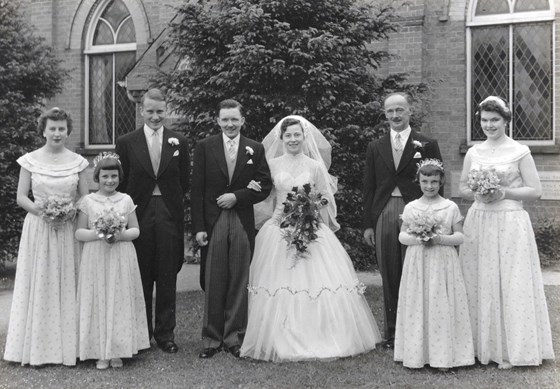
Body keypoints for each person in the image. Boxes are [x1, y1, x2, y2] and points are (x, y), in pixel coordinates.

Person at [240, 116, 381, 362]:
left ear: (304, 138)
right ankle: (280, 336)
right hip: (279, 228)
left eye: (297, 135)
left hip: (310, 227)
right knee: (278, 281)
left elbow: (326, 197)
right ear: (281, 138)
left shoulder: (314, 166)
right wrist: (253, 187)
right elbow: (264, 194)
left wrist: (312, 208)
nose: (293, 139)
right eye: (288, 135)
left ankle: (321, 334)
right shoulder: (271, 164)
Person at [458, 96, 554, 369]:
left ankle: (513, 350)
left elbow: (535, 191)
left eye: (495, 120)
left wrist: (503, 191)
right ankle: (479, 347)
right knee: (479, 278)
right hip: (479, 220)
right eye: (485, 120)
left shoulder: (519, 150)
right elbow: (463, 187)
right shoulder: (474, 152)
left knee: (511, 281)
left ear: (506, 121)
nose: (489, 125)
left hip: (510, 220)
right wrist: (478, 191)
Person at [4, 107, 89, 366]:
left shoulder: (78, 162)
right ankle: (38, 348)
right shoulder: (29, 160)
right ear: (43, 130)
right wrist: (45, 213)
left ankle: (71, 347)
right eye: (52, 128)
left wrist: (69, 212)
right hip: (40, 227)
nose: (57, 133)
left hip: (67, 228)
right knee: (40, 281)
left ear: (68, 131)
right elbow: (20, 197)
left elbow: (85, 197)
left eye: (61, 128)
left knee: (68, 280)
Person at [191, 99, 272, 359]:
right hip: (214, 220)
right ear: (217, 121)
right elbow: (197, 190)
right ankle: (211, 339)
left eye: (234, 119)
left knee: (239, 277)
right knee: (214, 278)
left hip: (240, 218)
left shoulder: (255, 148)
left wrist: (237, 197)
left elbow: (264, 184)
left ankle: (234, 337)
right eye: (225, 119)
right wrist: (199, 227)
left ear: (242, 121)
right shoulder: (205, 147)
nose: (229, 124)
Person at [363, 92, 442, 349]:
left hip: (417, 211)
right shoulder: (376, 146)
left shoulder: (426, 143)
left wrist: (434, 215)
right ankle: (393, 333)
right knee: (390, 272)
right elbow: (369, 187)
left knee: (418, 270)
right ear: (385, 114)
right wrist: (368, 223)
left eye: (400, 110)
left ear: (410, 111)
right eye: (390, 112)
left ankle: (418, 332)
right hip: (385, 210)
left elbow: (438, 181)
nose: (395, 115)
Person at [115, 88, 189, 354]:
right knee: (142, 274)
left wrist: (169, 203)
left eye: (160, 112)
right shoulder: (127, 142)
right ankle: (142, 333)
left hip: (168, 212)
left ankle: (165, 334)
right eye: (150, 111)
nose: (155, 117)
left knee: (167, 275)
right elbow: (122, 181)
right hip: (139, 212)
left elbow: (184, 181)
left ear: (165, 111)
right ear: (142, 111)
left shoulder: (178, 141)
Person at [394, 159, 474, 369]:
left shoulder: (450, 207)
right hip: (418, 262)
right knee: (418, 303)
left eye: (434, 182)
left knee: (441, 305)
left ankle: (443, 356)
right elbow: (402, 236)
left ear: (441, 182)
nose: (429, 186)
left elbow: (459, 237)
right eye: (425, 181)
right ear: (418, 181)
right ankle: (416, 355)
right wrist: (420, 238)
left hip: (442, 263)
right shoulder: (412, 207)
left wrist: (439, 239)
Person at [75, 153, 150, 370]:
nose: (110, 181)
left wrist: (118, 234)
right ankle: (100, 352)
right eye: (105, 176)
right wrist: (100, 233)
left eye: (114, 176)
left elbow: (135, 230)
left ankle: (118, 350)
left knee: (119, 298)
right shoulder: (88, 201)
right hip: (95, 256)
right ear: (97, 177)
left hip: (121, 254)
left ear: (120, 177)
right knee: (98, 298)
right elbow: (79, 232)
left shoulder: (125, 200)